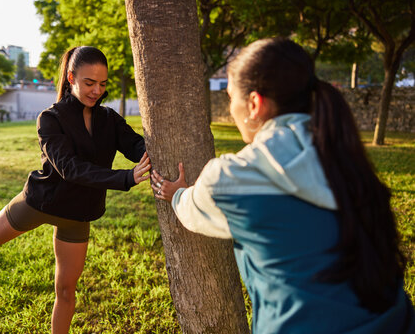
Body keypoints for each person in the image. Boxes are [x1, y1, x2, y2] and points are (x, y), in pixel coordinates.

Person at [151, 38, 414, 333]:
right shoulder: (348, 159)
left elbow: (191, 210)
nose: (231, 108)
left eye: (230, 97)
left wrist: (176, 194)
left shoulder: (233, 178)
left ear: (254, 104)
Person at [0, 46, 151, 334]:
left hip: (79, 213)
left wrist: (152, 156)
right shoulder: (50, 118)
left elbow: (136, 145)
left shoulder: (109, 118)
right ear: (71, 78)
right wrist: (126, 178)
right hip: (42, 201)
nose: (96, 91)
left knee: (66, 290)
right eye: (89, 83)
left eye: (102, 84)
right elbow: (70, 169)